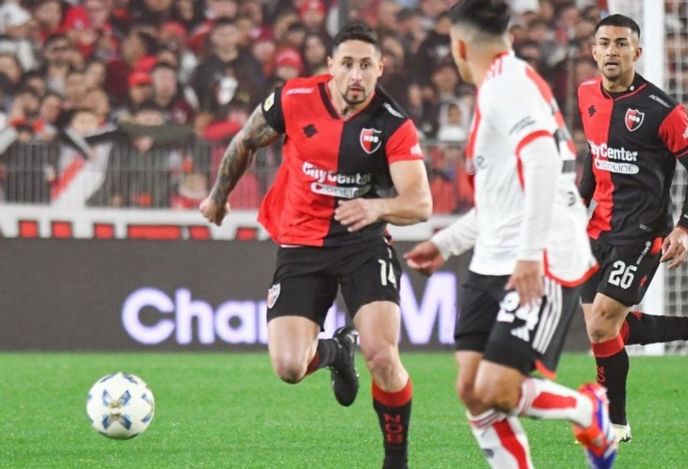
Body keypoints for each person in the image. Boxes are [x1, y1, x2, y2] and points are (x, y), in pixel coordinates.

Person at [200, 22, 432, 469]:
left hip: (362, 243)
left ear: (380, 69)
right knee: (289, 367)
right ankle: (336, 352)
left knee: (383, 354)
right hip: (301, 243)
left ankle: (396, 461)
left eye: (366, 65)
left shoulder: (392, 124)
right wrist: (218, 196)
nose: (356, 75)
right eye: (347, 64)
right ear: (331, 67)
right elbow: (247, 140)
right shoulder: (294, 99)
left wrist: (376, 209)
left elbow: (420, 202)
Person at [404, 2, 617, 468]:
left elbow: (541, 160)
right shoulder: (501, 85)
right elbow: (502, 201)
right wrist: (446, 244)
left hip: (538, 259)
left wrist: (529, 256)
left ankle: (589, 410)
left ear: (459, 46)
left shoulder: (507, 86)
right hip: (492, 258)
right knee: (472, 390)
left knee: (497, 389)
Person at [576, 14, 688, 444]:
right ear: (593, 50)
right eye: (604, 43)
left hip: (643, 233)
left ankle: (616, 423)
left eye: (621, 44)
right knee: (607, 327)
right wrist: (574, 209)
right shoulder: (586, 94)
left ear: (637, 52)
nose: (612, 51)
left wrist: (683, 228)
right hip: (596, 230)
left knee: (600, 329)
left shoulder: (661, 110)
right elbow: (593, 158)